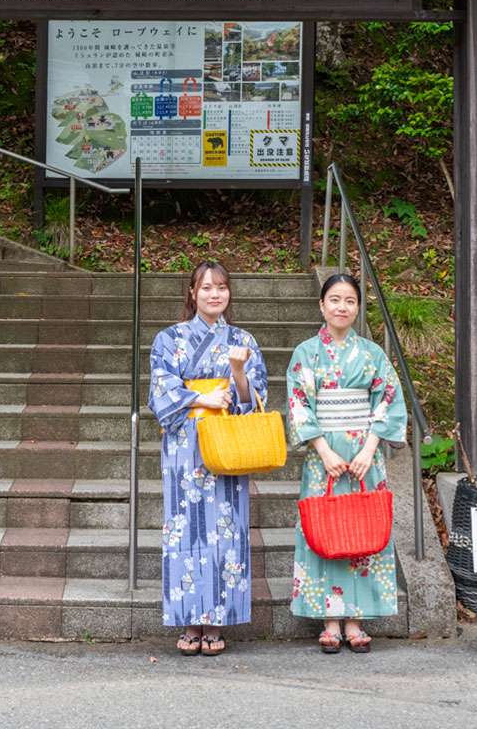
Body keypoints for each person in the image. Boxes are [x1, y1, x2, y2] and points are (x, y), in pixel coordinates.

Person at [147, 260, 268, 657]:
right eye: (206, 288)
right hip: (185, 447)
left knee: (225, 532)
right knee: (185, 531)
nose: (215, 294)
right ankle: (189, 621)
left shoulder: (242, 340)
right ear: (192, 294)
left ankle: (216, 621)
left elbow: (254, 401)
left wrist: (237, 371)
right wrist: (202, 397)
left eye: (222, 288)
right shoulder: (168, 339)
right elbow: (161, 391)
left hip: (227, 445)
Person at [286, 272, 407, 653]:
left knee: (361, 532)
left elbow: (388, 399)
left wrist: (371, 448)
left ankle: (355, 619)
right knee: (324, 530)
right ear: (321, 305)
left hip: (363, 455)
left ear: (358, 307)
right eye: (334, 299)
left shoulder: (372, 354)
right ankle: (329, 619)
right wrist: (323, 450)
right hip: (324, 455)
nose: (342, 307)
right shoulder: (306, 353)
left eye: (350, 300)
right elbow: (299, 406)